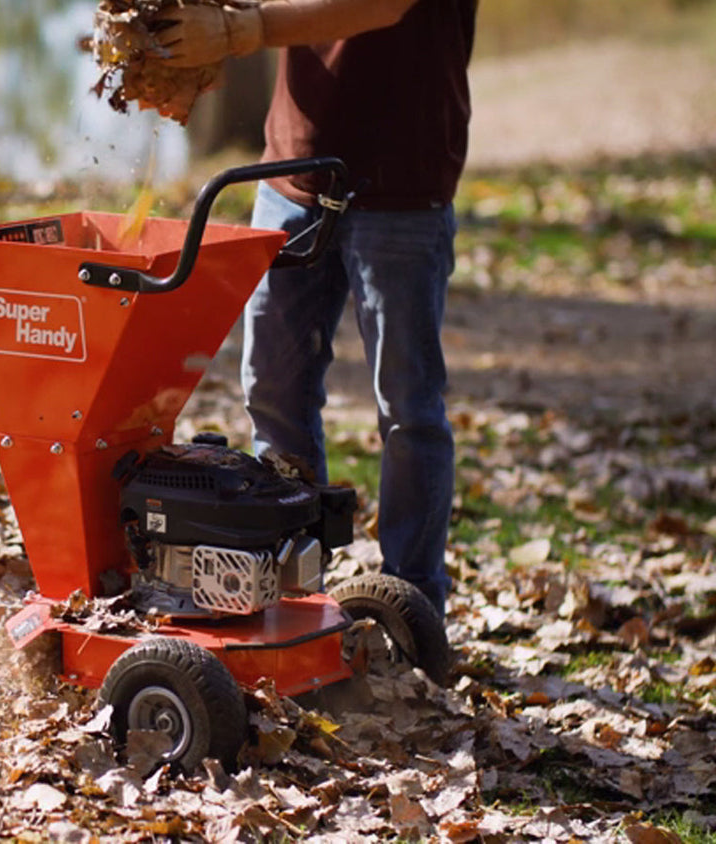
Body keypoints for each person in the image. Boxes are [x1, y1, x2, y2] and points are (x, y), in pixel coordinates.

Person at [155, 0, 477, 617]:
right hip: (293, 172)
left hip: (403, 172)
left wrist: (236, 31)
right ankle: (290, 589)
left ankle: (412, 612)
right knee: (274, 391)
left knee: (408, 411)